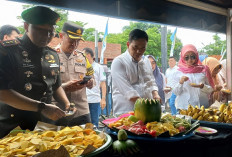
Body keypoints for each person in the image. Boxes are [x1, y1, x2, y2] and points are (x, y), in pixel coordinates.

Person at [0, 6, 73, 138]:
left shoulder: (52, 54)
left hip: (45, 126)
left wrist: (66, 103)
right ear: (26, 26)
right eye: (40, 30)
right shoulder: (7, 51)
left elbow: (55, 85)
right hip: (15, 128)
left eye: (51, 32)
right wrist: (42, 107)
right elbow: (2, 93)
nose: (46, 36)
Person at [52, 22, 95, 126]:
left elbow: (92, 79)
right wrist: (64, 87)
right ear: (61, 36)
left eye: (78, 41)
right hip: (58, 111)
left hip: (81, 111)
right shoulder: (50, 55)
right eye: (71, 40)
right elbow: (44, 85)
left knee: (87, 140)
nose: (74, 44)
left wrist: (90, 82)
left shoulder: (83, 57)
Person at [111, 29, 161, 116]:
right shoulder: (119, 62)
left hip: (147, 112)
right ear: (128, 44)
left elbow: (150, 81)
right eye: (135, 47)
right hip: (126, 112)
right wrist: (147, 105)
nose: (139, 51)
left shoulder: (146, 61)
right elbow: (127, 90)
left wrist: (155, 94)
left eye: (143, 48)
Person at [173, 44, 214, 110]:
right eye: (186, 57)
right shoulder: (177, 72)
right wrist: (181, 82)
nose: (189, 59)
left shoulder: (203, 70)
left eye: (192, 57)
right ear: (182, 57)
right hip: (184, 108)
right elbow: (176, 92)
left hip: (202, 107)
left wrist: (203, 86)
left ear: (196, 56)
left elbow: (211, 89)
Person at [84, 47, 106, 127]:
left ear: (88, 55)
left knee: (94, 124)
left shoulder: (98, 67)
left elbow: (103, 83)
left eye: (83, 55)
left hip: (94, 100)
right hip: (83, 100)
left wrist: (103, 99)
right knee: (83, 124)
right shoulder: (81, 66)